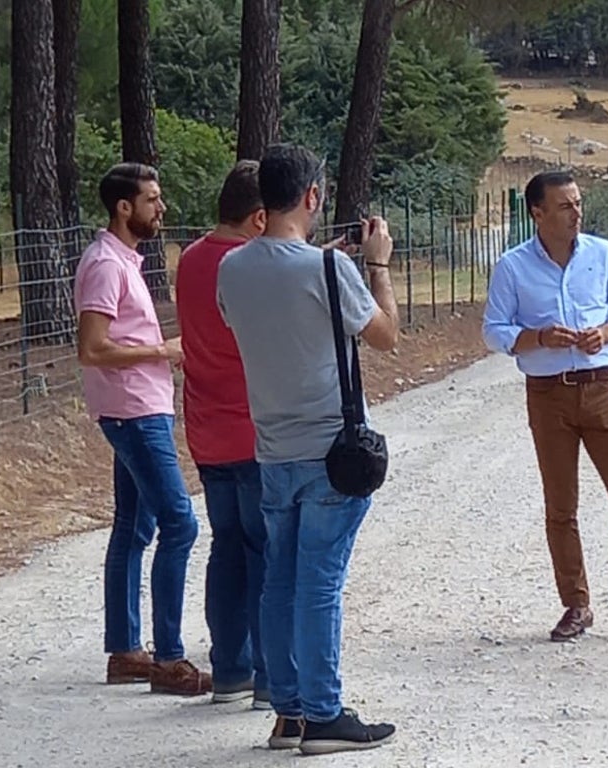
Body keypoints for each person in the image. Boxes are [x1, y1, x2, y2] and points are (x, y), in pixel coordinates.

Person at [216, 143, 399, 755]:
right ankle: (325, 715)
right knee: (320, 584)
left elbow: (271, 299)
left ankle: (288, 709)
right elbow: (386, 336)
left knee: (279, 582)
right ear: (314, 196)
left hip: (272, 448)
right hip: (331, 450)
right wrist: (377, 266)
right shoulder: (333, 272)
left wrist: (319, 265)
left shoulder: (232, 269)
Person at [482, 170, 608, 643]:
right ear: (538, 212)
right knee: (561, 505)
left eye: (578, 203)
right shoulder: (513, 266)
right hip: (548, 393)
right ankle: (576, 605)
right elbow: (494, 330)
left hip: (601, 386)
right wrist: (537, 338)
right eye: (565, 205)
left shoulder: (602, 254)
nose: (576, 212)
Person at [74, 162, 211, 696]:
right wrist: (163, 350)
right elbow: (91, 348)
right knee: (181, 524)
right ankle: (169, 658)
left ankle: (126, 649)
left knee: (133, 527)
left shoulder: (122, 261)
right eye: (153, 200)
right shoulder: (107, 265)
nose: (162, 209)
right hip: (132, 410)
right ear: (124, 207)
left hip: (138, 405)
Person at [175, 160, 270, 708]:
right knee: (264, 551)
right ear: (259, 217)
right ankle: (266, 670)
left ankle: (229, 668)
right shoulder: (245, 264)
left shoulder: (190, 257)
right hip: (252, 428)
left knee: (226, 546)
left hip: (207, 429)